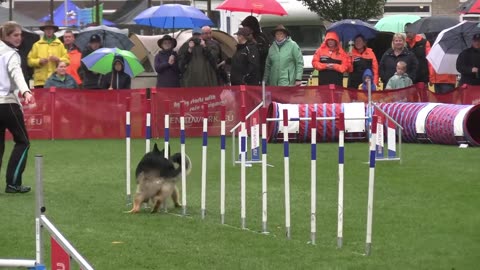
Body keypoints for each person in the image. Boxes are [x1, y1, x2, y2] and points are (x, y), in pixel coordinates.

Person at [0, 21, 36, 193]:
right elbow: (17, 73)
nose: (19, 38)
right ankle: (13, 183)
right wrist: (26, 92)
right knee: (23, 142)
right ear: (5, 36)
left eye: (20, 34)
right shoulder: (11, 54)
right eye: (15, 35)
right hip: (7, 104)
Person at [27, 21, 69, 88]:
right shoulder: (37, 45)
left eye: (50, 29)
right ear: (44, 30)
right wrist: (39, 61)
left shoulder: (60, 45)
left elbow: (67, 61)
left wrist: (58, 59)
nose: (48, 31)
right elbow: (29, 61)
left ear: (54, 30)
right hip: (40, 82)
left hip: (56, 80)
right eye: (46, 29)